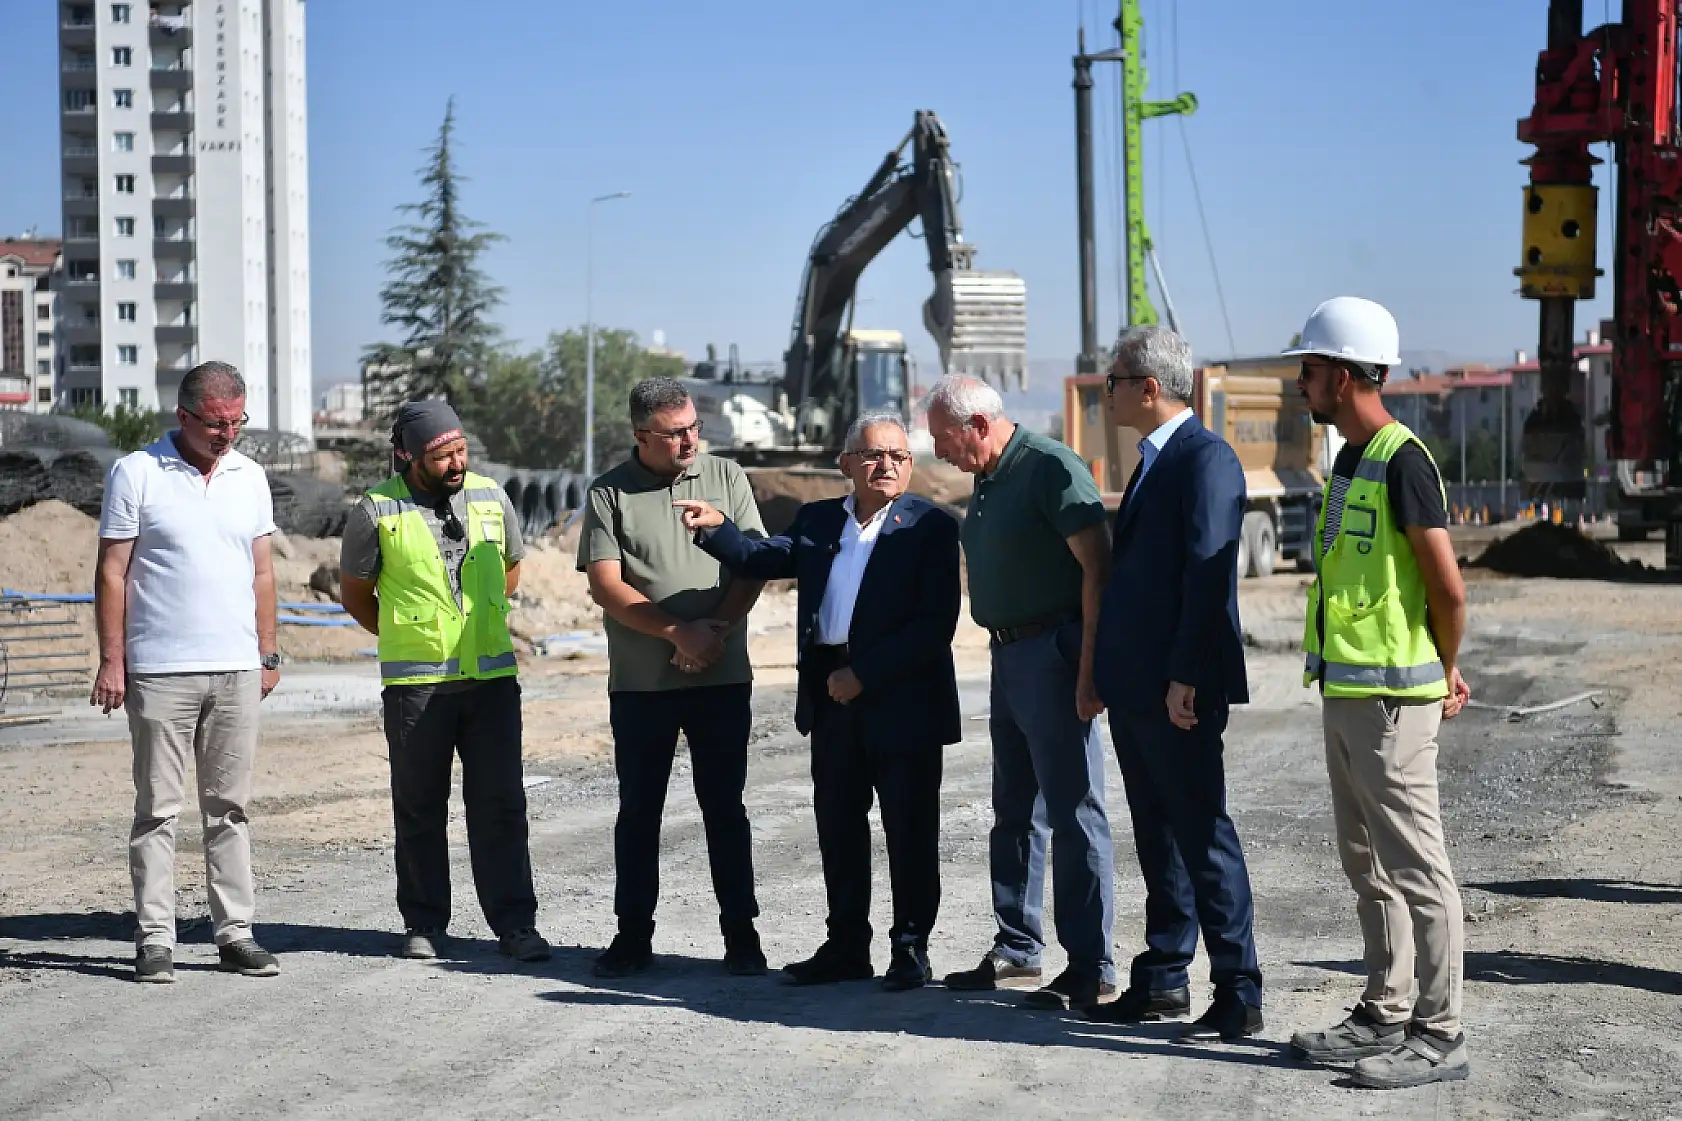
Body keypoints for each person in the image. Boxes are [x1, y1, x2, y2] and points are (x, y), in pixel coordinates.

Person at [673, 411, 961, 992]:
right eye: (874, 456)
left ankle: (910, 949)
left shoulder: (930, 526)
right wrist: (717, 527)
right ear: (846, 463)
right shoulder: (821, 519)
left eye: (899, 457)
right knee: (837, 823)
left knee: (908, 828)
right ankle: (847, 945)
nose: (886, 466)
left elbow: (934, 625)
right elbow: (764, 559)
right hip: (831, 694)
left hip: (899, 697)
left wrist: (865, 675)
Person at [1284, 297, 1473, 1089]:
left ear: (1344, 372)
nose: (1301, 381)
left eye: (1310, 368)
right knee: (1366, 863)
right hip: (1348, 691)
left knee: (1418, 867)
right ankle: (1384, 1008)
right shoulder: (1347, 459)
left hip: (1395, 700)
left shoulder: (1403, 460)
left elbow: (1448, 589)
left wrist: (1442, 664)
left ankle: (1439, 1032)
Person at [1085, 326, 1264, 1041]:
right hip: (1138, 689)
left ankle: (1238, 987)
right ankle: (1163, 977)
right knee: (1158, 837)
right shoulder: (1155, 461)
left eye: (1115, 382)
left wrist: (1186, 673)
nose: (1109, 393)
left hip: (1176, 690)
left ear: (1149, 388)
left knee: (1200, 830)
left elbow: (1206, 571)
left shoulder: (1204, 459)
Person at [924, 375, 1119, 1011]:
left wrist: (1090, 672)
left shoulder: (1049, 469)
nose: (940, 453)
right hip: (1008, 656)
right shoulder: (989, 476)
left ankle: (1092, 964)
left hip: (1054, 655)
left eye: (944, 439)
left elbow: (1099, 567)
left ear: (978, 425)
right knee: (1014, 811)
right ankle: (1017, 948)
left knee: (1074, 811)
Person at [338, 400, 551, 965]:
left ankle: (516, 926)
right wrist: (410, 632)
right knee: (418, 807)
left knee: (501, 806)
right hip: (418, 686)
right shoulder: (376, 511)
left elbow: (509, 568)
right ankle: (426, 923)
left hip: (491, 681)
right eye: (441, 454)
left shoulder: (488, 494)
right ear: (408, 455)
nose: (456, 462)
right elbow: (358, 595)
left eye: (460, 450)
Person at [92, 360, 282, 984]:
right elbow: (113, 572)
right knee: (158, 810)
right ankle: (155, 940)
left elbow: (262, 572)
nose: (228, 434)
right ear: (183, 417)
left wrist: (269, 651)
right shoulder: (137, 473)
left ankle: (236, 934)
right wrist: (113, 660)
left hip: (235, 669)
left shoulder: (250, 477)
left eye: (237, 422)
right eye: (216, 423)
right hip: (160, 672)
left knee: (229, 808)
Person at [578, 377, 769, 978]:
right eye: (675, 432)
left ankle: (742, 935)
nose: (690, 439)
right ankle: (632, 935)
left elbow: (753, 561)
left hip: (721, 676)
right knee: (639, 812)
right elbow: (606, 584)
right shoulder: (609, 493)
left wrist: (712, 629)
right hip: (642, 684)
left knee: (725, 809)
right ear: (642, 436)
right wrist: (675, 633)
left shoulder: (726, 477)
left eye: (694, 428)